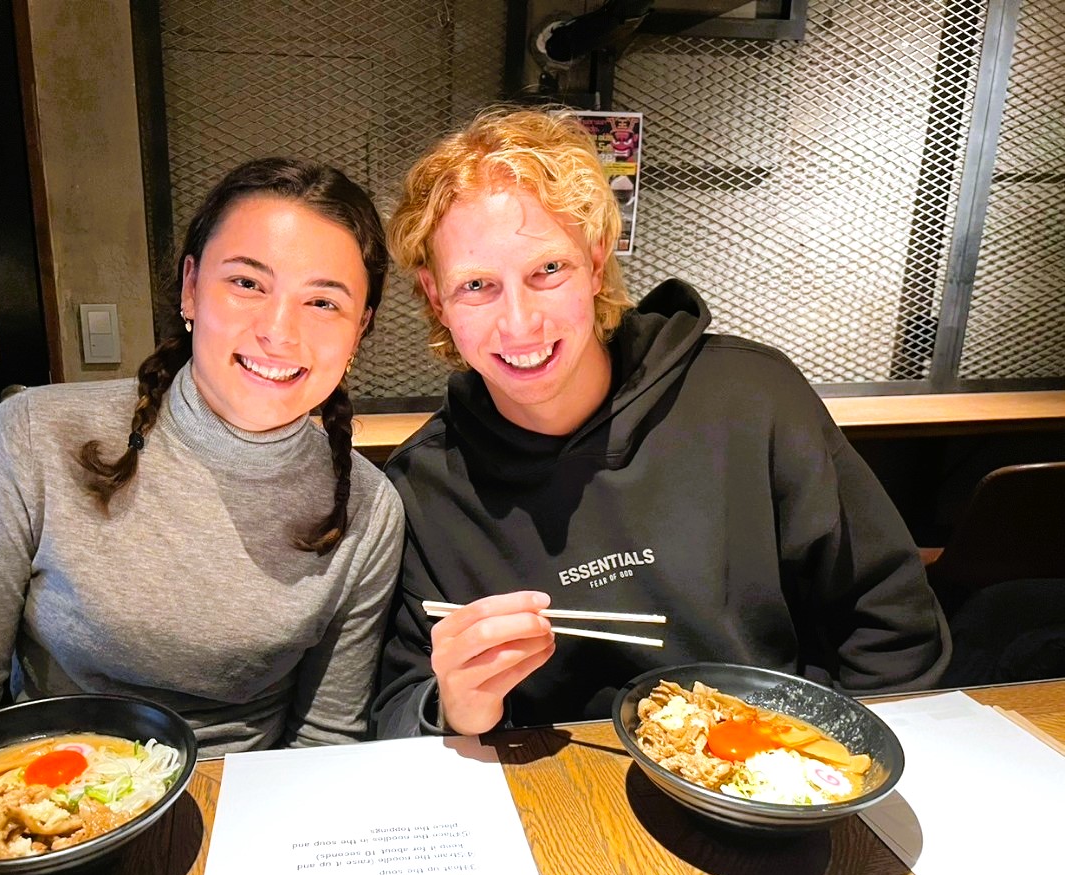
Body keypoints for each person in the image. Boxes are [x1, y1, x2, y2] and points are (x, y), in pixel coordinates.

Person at [373, 108, 950, 738]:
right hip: (557, 793)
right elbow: (400, 705)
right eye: (478, 285)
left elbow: (892, 628)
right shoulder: (425, 487)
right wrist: (453, 707)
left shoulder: (749, 399)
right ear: (436, 297)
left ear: (595, 263)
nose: (519, 324)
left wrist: (831, 774)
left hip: (777, 769)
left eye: (548, 271)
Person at [0, 158, 405, 756]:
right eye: (247, 283)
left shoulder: (368, 509)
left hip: (249, 810)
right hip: (46, 802)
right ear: (192, 287)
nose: (279, 331)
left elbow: (326, 740)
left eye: (323, 303)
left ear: (360, 329)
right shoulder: (32, 438)